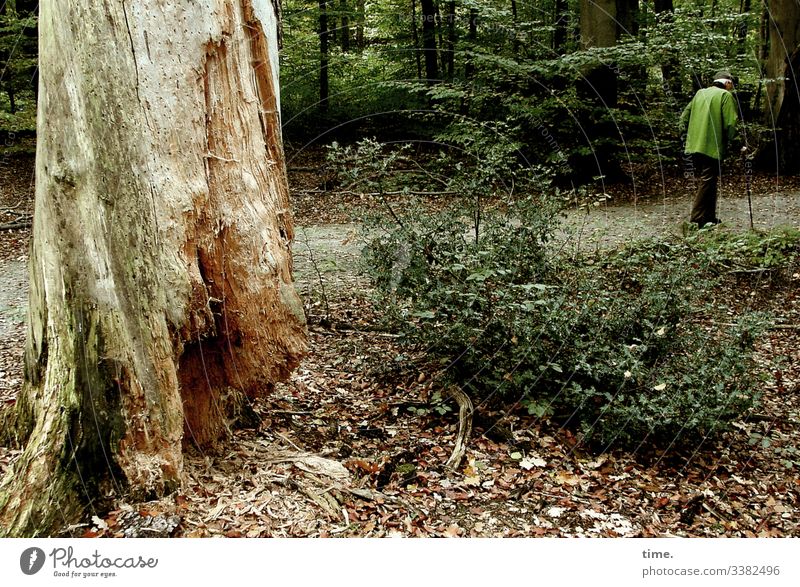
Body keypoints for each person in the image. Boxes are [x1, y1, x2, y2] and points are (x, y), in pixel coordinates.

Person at [680, 70, 739, 227]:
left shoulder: (700, 93)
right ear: (727, 83)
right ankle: (697, 218)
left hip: (694, 145)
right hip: (713, 146)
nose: (731, 88)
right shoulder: (725, 96)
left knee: (710, 179)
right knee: (708, 180)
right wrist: (736, 142)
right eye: (731, 85)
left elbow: (683, 117)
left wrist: (689, 135)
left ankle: (709, 217)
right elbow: (730, 124)